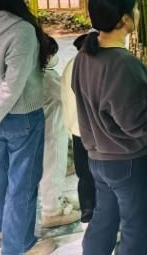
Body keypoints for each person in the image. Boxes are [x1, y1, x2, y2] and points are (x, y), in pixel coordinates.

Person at [72, 0, 147, 255]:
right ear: (124, 19)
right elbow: (138, 124)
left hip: (99, 158)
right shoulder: (123, 65)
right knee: (137, 227)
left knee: (104, 221)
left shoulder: (85, 55)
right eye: (136, 8)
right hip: (131, 160)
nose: (139, 13)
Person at [0, 0, 57, 254]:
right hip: (20, 116)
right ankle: (20, 246)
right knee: (23, 182)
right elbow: (12, 85)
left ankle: (4, 228)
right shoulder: (21, 30)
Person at [40, 36, 82, 229]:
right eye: (51, 54)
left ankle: (55, 203)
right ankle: (52, 211)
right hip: (53, 133)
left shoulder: (38, 74)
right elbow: (68, 96)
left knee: (50, 169)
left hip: (47, 131)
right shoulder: (47, 78)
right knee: (54, 170)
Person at [61, 33, 95, 223]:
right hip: (97, 131)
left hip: (77, 130)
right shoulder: (96, 65)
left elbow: (64, 99)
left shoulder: (70, 65)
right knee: (102, 174)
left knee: (84, 175)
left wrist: (69, 127)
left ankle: (87, 211)